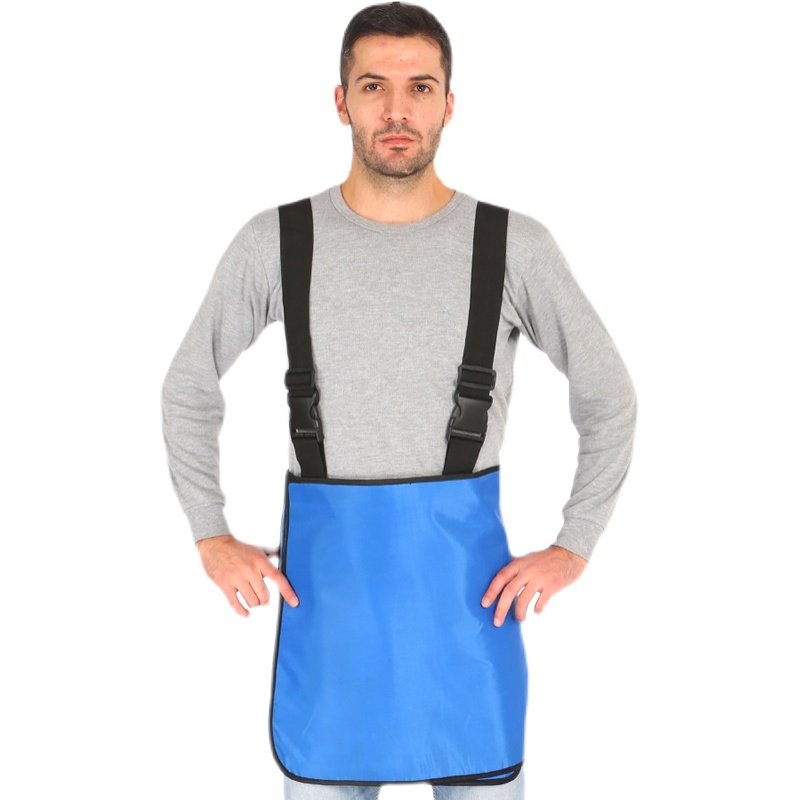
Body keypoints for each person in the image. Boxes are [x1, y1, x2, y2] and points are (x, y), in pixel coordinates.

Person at [160, 3, 637, 798]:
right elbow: (187, 385)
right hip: (332, 626)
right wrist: (210, 533)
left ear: (449, 103)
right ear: (340, 100)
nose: (396, 110)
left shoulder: (512, 246)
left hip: (467, 621)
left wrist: (574, 543)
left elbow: (609, 396)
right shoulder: (276, 242)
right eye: (373, 85)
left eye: (420, 87)